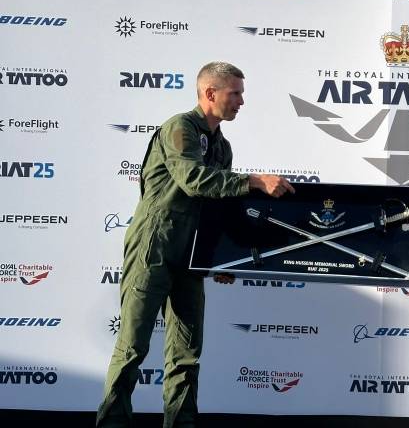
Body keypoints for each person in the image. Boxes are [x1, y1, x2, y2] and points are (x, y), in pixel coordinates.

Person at [97, 61, 294, 427]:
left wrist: (220, 260)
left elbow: (216, 209)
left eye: (241, 94)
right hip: (154, 246)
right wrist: (252, 181)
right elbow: (193, 179)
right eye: (235, 93)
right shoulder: (180, 127)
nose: (241, 101)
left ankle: (181, 423)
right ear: (210, 93)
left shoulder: (223, 147)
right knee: (132, 347)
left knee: (186, 353)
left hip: (191, 255)